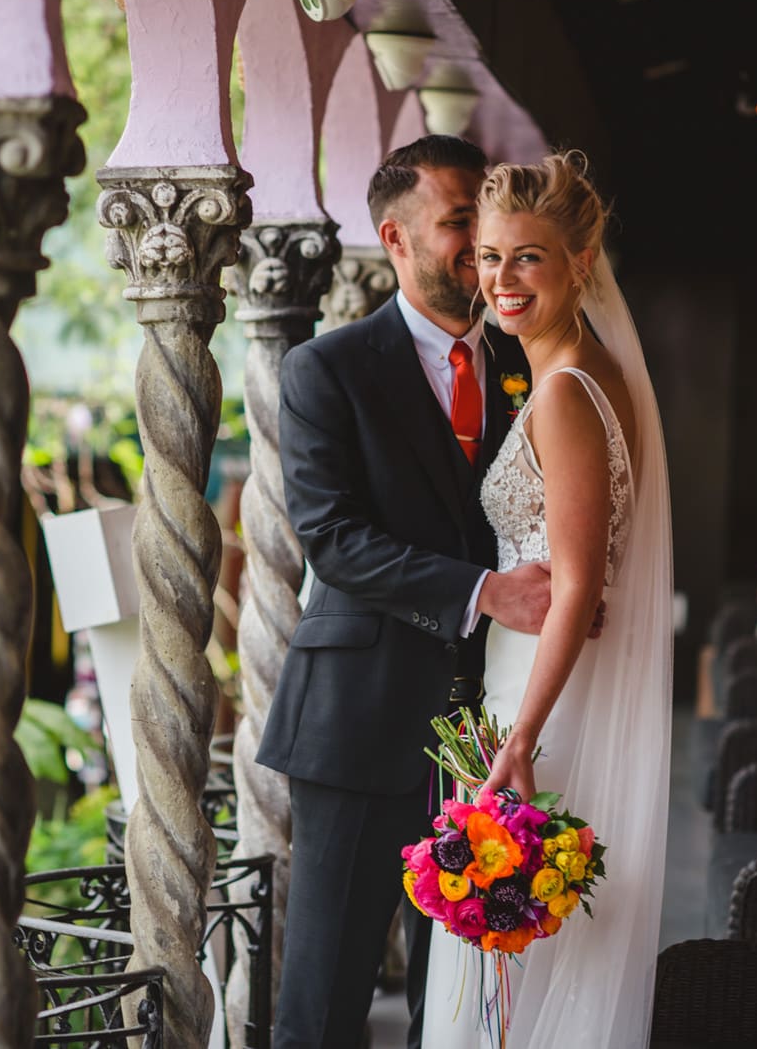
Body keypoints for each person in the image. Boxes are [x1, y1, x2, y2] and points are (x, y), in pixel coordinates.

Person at [258, 135, 564, 1049]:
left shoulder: (530, 365)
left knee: (462, 1002)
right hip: (358, 723)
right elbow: (334, 538)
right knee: (323, 1002)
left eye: (491, 222)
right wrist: (486, 592)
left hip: (487, 734)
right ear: (394, 238)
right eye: (459, 222)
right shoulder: (327, 370)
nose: (481, 246)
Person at [419, 152, 672, 1048]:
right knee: (530, 953)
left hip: (542, 704)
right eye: (489, 257)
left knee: (514, 962)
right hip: (540, 684)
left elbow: (575, 591)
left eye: (528, 256)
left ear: (580, 257)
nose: (502, 279)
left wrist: (519, 739)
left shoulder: (566, 393)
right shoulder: (590, 373)